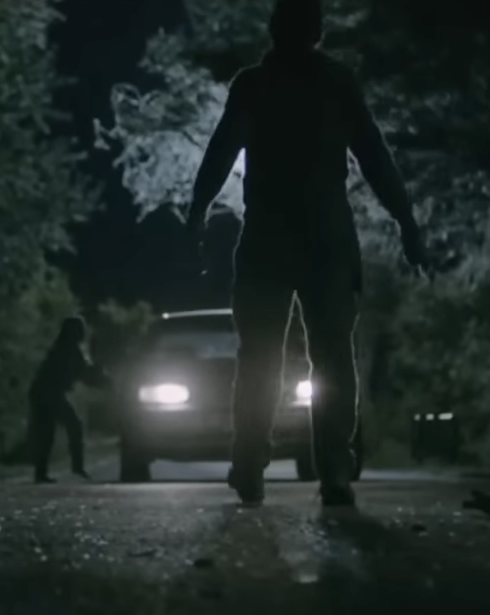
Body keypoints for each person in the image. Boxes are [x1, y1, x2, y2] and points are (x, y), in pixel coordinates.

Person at [184, 0, 429, 506]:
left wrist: (197, 212)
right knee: (332, 355)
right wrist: (405, 220)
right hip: (325, 236)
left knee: (260, 356)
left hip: (270, 236)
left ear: (275, 31)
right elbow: (374, 156)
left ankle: (250, 463)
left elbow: (221, 151)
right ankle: (332, 470)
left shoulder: (255, 85)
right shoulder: (335, 83)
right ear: (317, 32)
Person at [27, 316, 109, 483]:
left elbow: (85, 374)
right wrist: (107, 381)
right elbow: (87, 375)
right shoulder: (69, 351)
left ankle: (42, 472)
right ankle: (76, 467)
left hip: (45, 393)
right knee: (70, 427)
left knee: (48, 434)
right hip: (48, 393)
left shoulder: (65, 348)